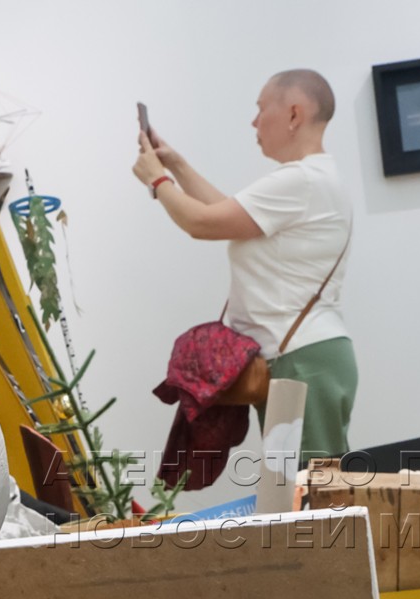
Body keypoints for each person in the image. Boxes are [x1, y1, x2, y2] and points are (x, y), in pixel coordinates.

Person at [133, 69, 357, 460]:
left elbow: (202, 223)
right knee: (299, 484)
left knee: (307, 487)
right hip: (305, 356)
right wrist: (177, 166)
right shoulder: (312, 179)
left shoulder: (301, 181)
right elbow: (226, 214)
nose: (254, 122)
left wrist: (158, 182)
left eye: (261, 108)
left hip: (300, 360)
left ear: (294, 114)